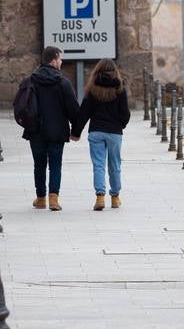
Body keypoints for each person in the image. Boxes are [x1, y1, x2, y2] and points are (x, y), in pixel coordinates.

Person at [18, 46, 79, 211]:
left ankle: (40, 198)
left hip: (35, 130)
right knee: (55, 164)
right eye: (60, 59)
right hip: (57, 131)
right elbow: (73, 109)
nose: (61, 62)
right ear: (53, 60)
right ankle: (54, 199)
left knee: (39, 164)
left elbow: (20, 104)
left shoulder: (30, 80)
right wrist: (76, 131)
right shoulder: (63, 82)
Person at [71, 58, 130, 210]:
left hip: (96, 131)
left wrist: (76, 132)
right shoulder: (120, 88)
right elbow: (125, 113)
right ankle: (115, 197)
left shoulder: (92, 88)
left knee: (98, 165)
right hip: (114, 133)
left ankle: (100, 197)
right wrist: (120, 125)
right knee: (115, 164)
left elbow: (84, 112)